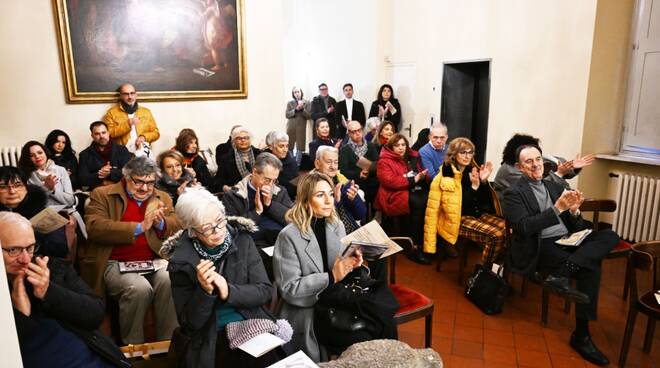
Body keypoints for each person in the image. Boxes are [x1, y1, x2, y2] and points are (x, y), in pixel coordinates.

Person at [503, 145, 618, 366]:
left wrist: (574, 211)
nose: (536, 164)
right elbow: (525, 228)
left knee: (609, 236)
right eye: (529, 161)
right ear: (519, 167)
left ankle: (563, 273)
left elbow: (574, 225)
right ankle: (582, 336)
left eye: (538, 159)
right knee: (590, 267)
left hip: (567, 238)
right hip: (541, 244)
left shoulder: (552, 185)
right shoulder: (513, 192)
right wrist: (556, 209)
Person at [273, 172, 396, 362]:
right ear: (305, 200)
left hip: (336, 296)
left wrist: (353, 264)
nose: (329, 200)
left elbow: (340, 268)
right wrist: (331, 277)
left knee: (385, 320)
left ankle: (394, 362)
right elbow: (290, 289)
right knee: (364, 339)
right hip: (309, 306)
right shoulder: (288, 236)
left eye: (330, 194)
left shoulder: (335, 225)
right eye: (320, 195)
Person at [161, 189, 281, 368]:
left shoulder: (242, 240)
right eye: (207, 228)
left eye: (219, 221)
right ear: (193, 231)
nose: (217, 231)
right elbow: (189, 323)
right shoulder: (181, 261)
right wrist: (205, 291)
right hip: (210, 335)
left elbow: (264, 290)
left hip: (251, 324)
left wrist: (228, 290)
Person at [1, 212, 130, 368]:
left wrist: (49, 291)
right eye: (13, 250)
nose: (25, 259)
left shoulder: (52, 267)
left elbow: (95, 313)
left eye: (30, 248)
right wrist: (21, 315)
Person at [83, 156, 180, 344]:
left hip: (154, 261)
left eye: (150, 183)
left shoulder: (163, 197)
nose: (145, 188)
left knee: (169, 279)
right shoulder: (102, 194)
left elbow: (177, 224)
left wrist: (161, 224)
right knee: (138, 288)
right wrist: (139, 227)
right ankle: (133, 348)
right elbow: (94, 226)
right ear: (126, 178)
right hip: (114, 263)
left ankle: (168, 345)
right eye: (139, 182)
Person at [423, 138, 505, 264]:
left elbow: (485, 202)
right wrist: (430, 246)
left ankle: (497, 270)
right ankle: (482, 273)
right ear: (454, 154)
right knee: (496, 235)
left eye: (470, 152)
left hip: (477, 215)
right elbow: (432, 212)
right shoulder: (444, 176)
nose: (467, 156)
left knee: (508, 229)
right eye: (463, 152)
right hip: (456, 219)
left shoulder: (472, 171)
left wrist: (483, 182)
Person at [375, 134, 429, 264]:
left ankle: (424, 242)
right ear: (391, 147)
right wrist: (412, 179)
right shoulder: (384, 160)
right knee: (418, 203)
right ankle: (414, 246)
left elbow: (420, 171)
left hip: (408, 190)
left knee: (427, 200)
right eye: (397, 145)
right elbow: (390, 181)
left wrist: (422, 176)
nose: (401, 148)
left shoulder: (411, 156)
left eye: (403, 145)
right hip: (391, 195)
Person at [222, 152, 293, 248]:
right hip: (252, 246)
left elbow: (293, 219)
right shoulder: (233, 196)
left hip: (281, 242)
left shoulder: (279, 191)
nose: (270, 185)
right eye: (267, 179)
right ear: (254, 172)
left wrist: (270, 205)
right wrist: (257, 212)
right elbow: (231, 229)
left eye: (274, 180)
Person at [494, 134, 595, 199]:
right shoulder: (509, 169)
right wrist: (559, 174)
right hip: (522, 212)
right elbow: (536, 188)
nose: (535, 162)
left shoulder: (537, 158)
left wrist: (574, 166)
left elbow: (561, 165)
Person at [0, 167, 70, 258]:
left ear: (26, 188)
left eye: (17, 185)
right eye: (3, 187)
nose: (12, 191)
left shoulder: (40, 212)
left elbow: (58, 248)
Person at [103, 83, 160, 153]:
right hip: (122, 153)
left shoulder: (146, 112)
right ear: (120, 96)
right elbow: (108, 134)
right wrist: (127, 124)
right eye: (126, 94)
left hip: (143, 152)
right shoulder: (111, 113)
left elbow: (156, 133)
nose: (129, 97)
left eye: (132, 93)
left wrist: (144, 137)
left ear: (136, 95)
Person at [19, 141, 76, 209]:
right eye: (32, 155)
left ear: (45, 153)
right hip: (42, 215)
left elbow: (70, 201)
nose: (37, 156)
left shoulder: (61, 170)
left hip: (66, 212)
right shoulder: (27, 176)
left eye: (40, 153)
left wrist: (53, 190)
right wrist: (45, 188)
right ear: (28, 158)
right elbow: (30, 205)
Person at [78, 121, 132, 190]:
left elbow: (130, 173)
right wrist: (100, 174)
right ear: (92, 136)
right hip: (96, 192)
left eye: (104, 132)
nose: (101, 136)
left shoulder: (122, 150)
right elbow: (82, 179)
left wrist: (111, 172)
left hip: (120, 190)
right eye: (97, 134)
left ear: (108, 133)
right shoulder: (84, 155)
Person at [339, 120, 380, 204]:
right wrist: (359, 174)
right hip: (355, 183)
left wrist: (368, 171)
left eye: (359, 130)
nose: (357, 133)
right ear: (349, 133)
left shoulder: (370, 146)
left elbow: (377, 163)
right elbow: (343, 170)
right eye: (354, 132)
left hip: (371, 180)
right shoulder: (345, 149)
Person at [216, 126, 261, 192]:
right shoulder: (226, 158)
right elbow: (218, 181)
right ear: (234, 141)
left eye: (246, 138)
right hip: (237, 193)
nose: (243, 140)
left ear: (250, 139)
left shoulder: (260, 154)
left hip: (260, 190)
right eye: (239, 138)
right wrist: (227, 188)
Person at [264, 131, 298, 199]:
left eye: (287, 146)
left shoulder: (292, 162)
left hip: (289, 198)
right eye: (281, 146)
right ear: (271, 147)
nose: (285, 150)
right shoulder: (263, 160)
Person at [285, 86, 312, 154]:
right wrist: (295, 110)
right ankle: (291, 161)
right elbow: (287, 115)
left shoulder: (307, 102)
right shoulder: (290, 103)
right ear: (293, 94)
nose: (297, 93)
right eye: (295, 92)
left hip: (301, 128)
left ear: (301, 92)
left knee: (300, 147)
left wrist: (302, 109)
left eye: (298, 92)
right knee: (289, 146)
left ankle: (298, 163)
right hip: (291, 127)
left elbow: (309, 116)